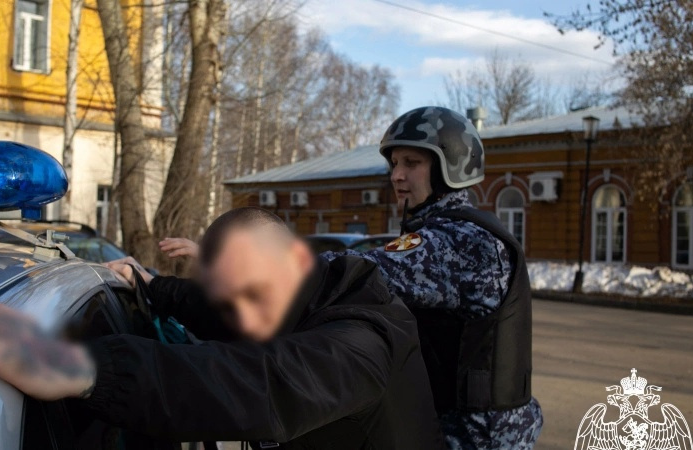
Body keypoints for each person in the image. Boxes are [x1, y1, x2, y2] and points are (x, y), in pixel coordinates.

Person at [0, 207, 445, 449]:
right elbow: (219, 306)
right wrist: (151, 286)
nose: (243, 323)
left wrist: (80, 367)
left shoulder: (365, 337)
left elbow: (264, 382)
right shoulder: (291, 297)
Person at [161, 107, 543, 449]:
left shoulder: (463, 242)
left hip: (473, 437)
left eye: (412, 163)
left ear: (451, 168)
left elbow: (345, 274)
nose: (397, 175)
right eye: (394, 164)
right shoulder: (447, 232)